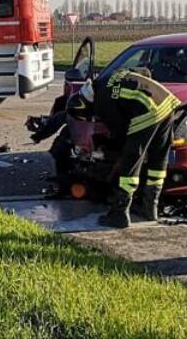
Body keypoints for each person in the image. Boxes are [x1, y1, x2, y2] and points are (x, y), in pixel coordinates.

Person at [73, 68, 181, 228]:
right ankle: (151, 209)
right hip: (166, 102)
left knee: (131, 159)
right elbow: (144, 72)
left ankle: (120, 214)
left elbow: (121, 132)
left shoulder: (101, 103)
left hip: (147, 110)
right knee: (158, 156)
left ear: (86, 105)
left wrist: (119, 151)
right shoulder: (107, 78)